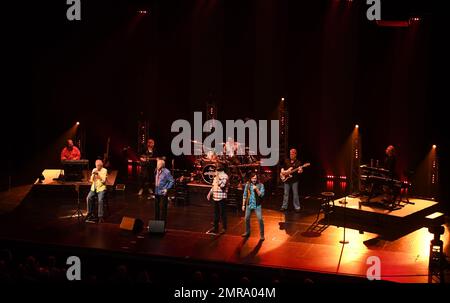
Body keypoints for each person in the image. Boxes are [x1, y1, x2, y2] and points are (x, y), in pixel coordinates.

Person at [241, 173, 265, 241]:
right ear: (250, 178)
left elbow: (262, 195)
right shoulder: (248, 185)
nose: (254, 180)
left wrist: (256, 189)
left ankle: (262, 235)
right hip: (249, 204)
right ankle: (247, 231)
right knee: (247, 218)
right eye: (253, 178)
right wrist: (243, 205)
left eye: (255, 178)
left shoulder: (260, 185)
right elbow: (245, 195)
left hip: (257, 205)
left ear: (257, 178)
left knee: (260, 219)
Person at [207, 165, 229, 234]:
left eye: (216, 170)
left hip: (221, 198)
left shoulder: (225, 176)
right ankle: (215, 228)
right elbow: (214, 186)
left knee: (223, 214)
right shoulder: (216, 177)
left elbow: (222, 186)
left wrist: (217, 179)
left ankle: (224, 228)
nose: (215, 172)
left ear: (220, 171)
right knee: (216, 214)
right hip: (215, 197)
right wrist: (209, 193)